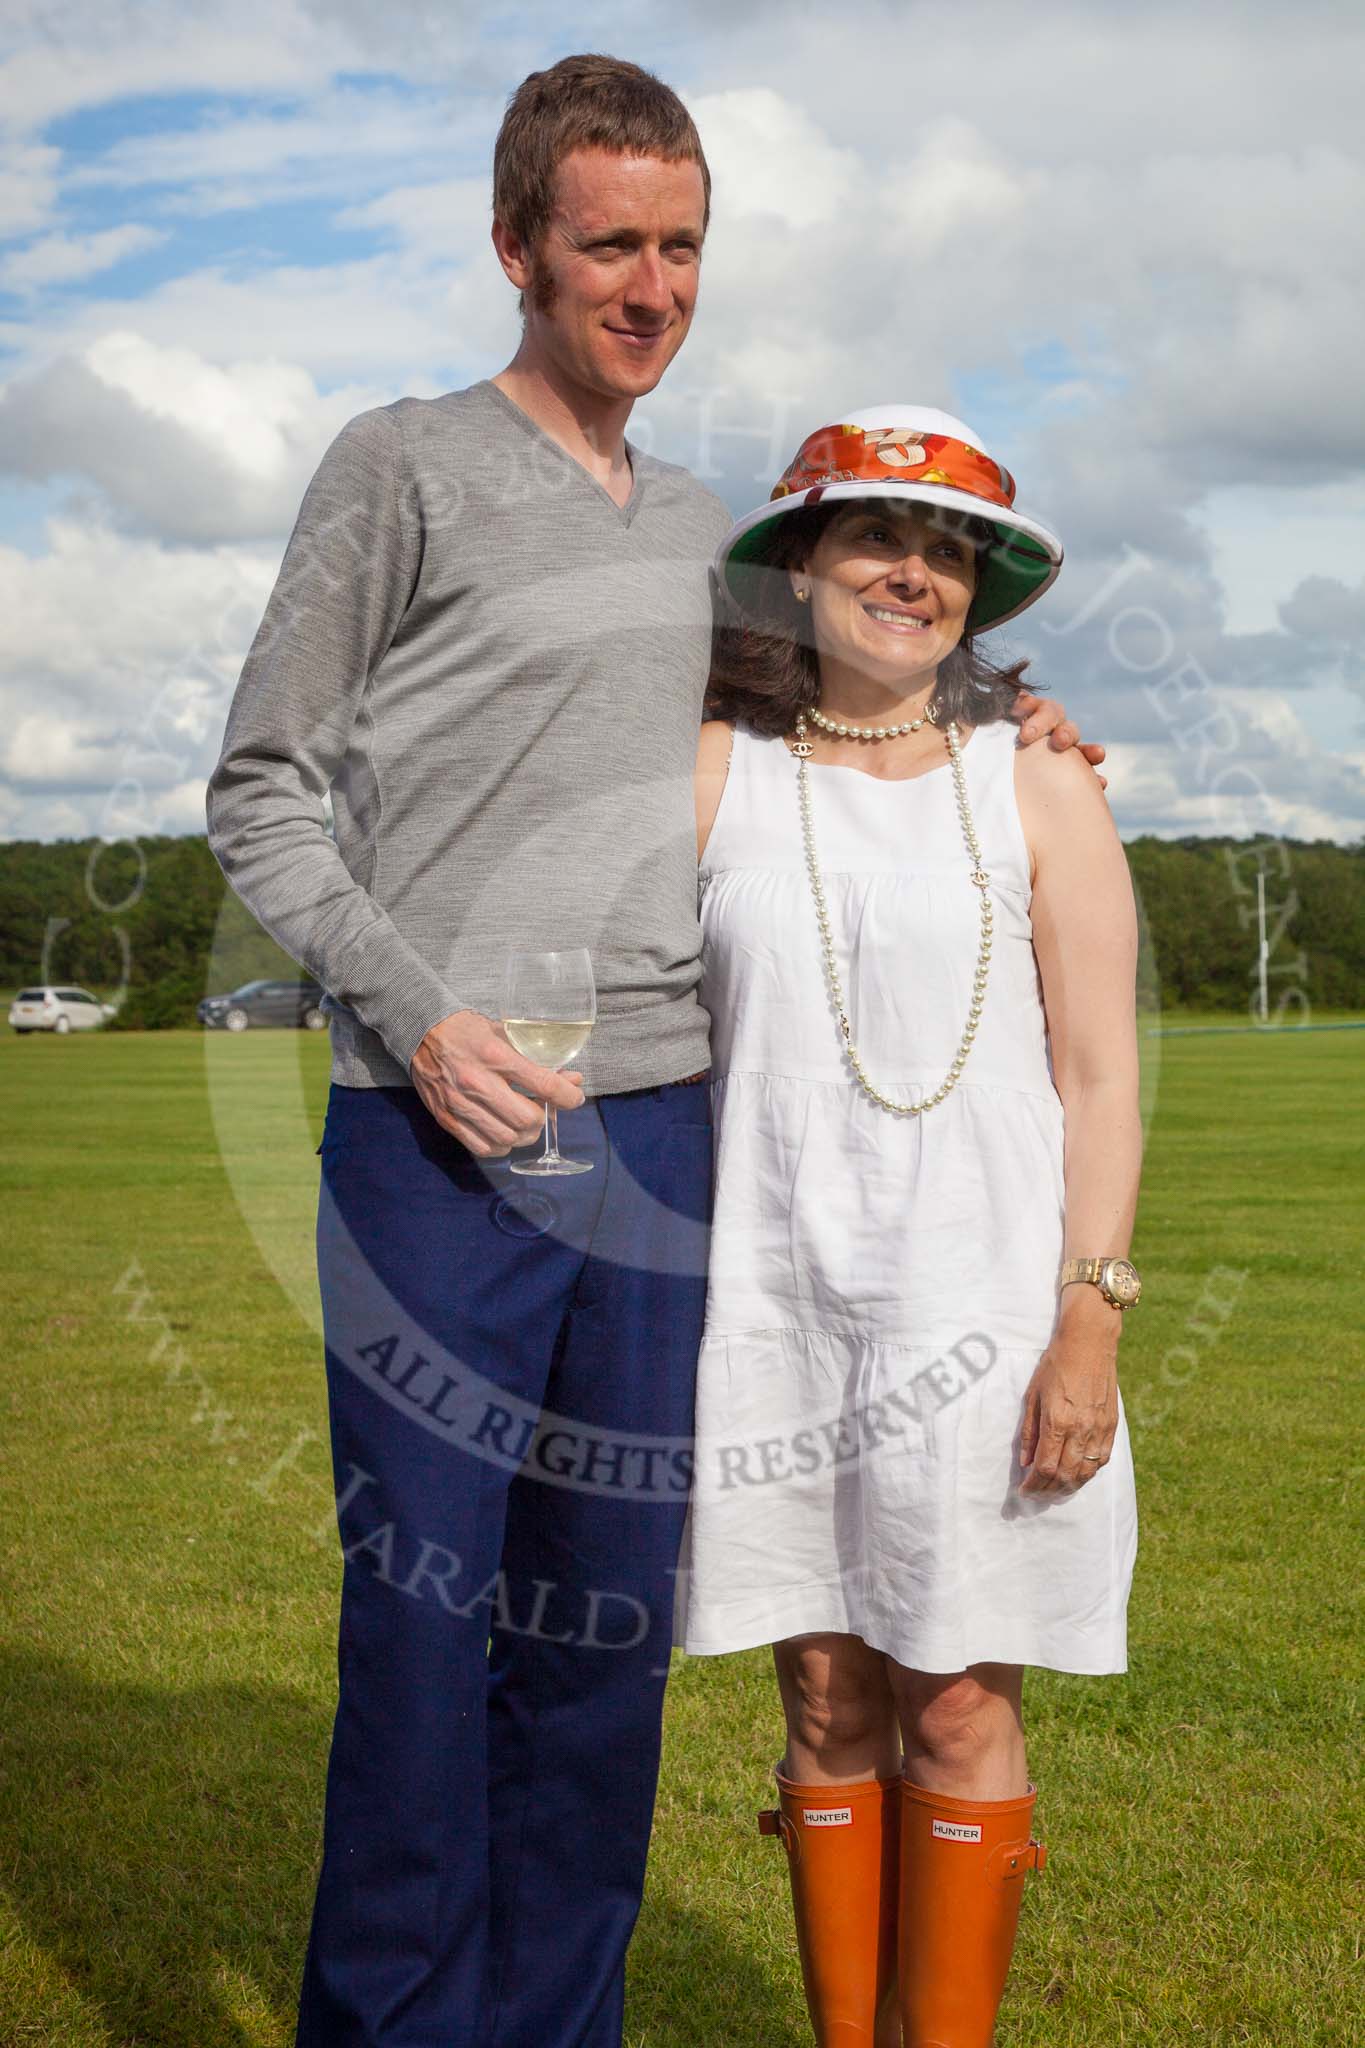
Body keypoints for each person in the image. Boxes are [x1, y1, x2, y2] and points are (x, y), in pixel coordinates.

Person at [205, 53, 1102, 2048]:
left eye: (679, 246)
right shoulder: (399, 463)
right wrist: (414, 1011)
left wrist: (1021, 721)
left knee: (597, 1659)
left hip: (663, 1148)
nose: (648, 283)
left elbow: (862, 687)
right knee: (427, 1645)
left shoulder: (705, 525)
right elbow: (257, 791)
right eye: (606, 242)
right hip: (433, 1147)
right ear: (514, 246)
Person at [675, 407, 1142, 2047]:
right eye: (876, 538)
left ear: (977, 596)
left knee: (952, 1699)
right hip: (773, 1300)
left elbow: (1097, 1068)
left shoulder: (1036, 782)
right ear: (797, 567)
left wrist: (1087, 1320)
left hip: (987, 1309)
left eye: (947, 551)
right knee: (820, 1692)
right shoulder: (708, 770)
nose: (912, 573)